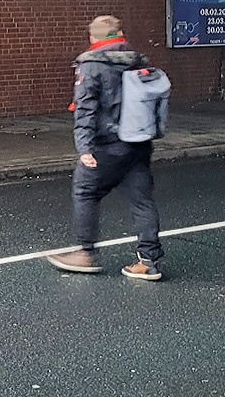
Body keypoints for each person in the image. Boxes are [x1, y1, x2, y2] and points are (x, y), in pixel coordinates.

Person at [46, 15, 165, 281]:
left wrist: (84, 148)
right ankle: (148, 261)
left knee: (85, 190)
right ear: (120, 34)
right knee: (142, 200)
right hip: (138, 142)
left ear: (93, 38)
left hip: (107, 145)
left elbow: (86, 109)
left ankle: (85, 253)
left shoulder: (92, 65)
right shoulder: (137, 60)